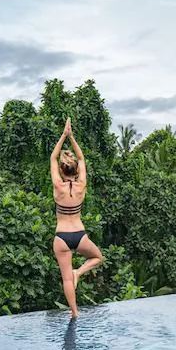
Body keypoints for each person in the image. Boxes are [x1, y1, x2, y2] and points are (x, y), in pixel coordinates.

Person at [50, 118, 103, 317]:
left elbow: (53, 158)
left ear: (62, 171)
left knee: (66, 279)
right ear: (76, 170)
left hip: (62, 237)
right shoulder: (81, 185)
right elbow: (81, 158)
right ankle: (79, 272)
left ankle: (74, 313)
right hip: (79, 235)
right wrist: (72, 137)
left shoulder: (58, 186)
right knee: (97, 257)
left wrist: (63, 135)